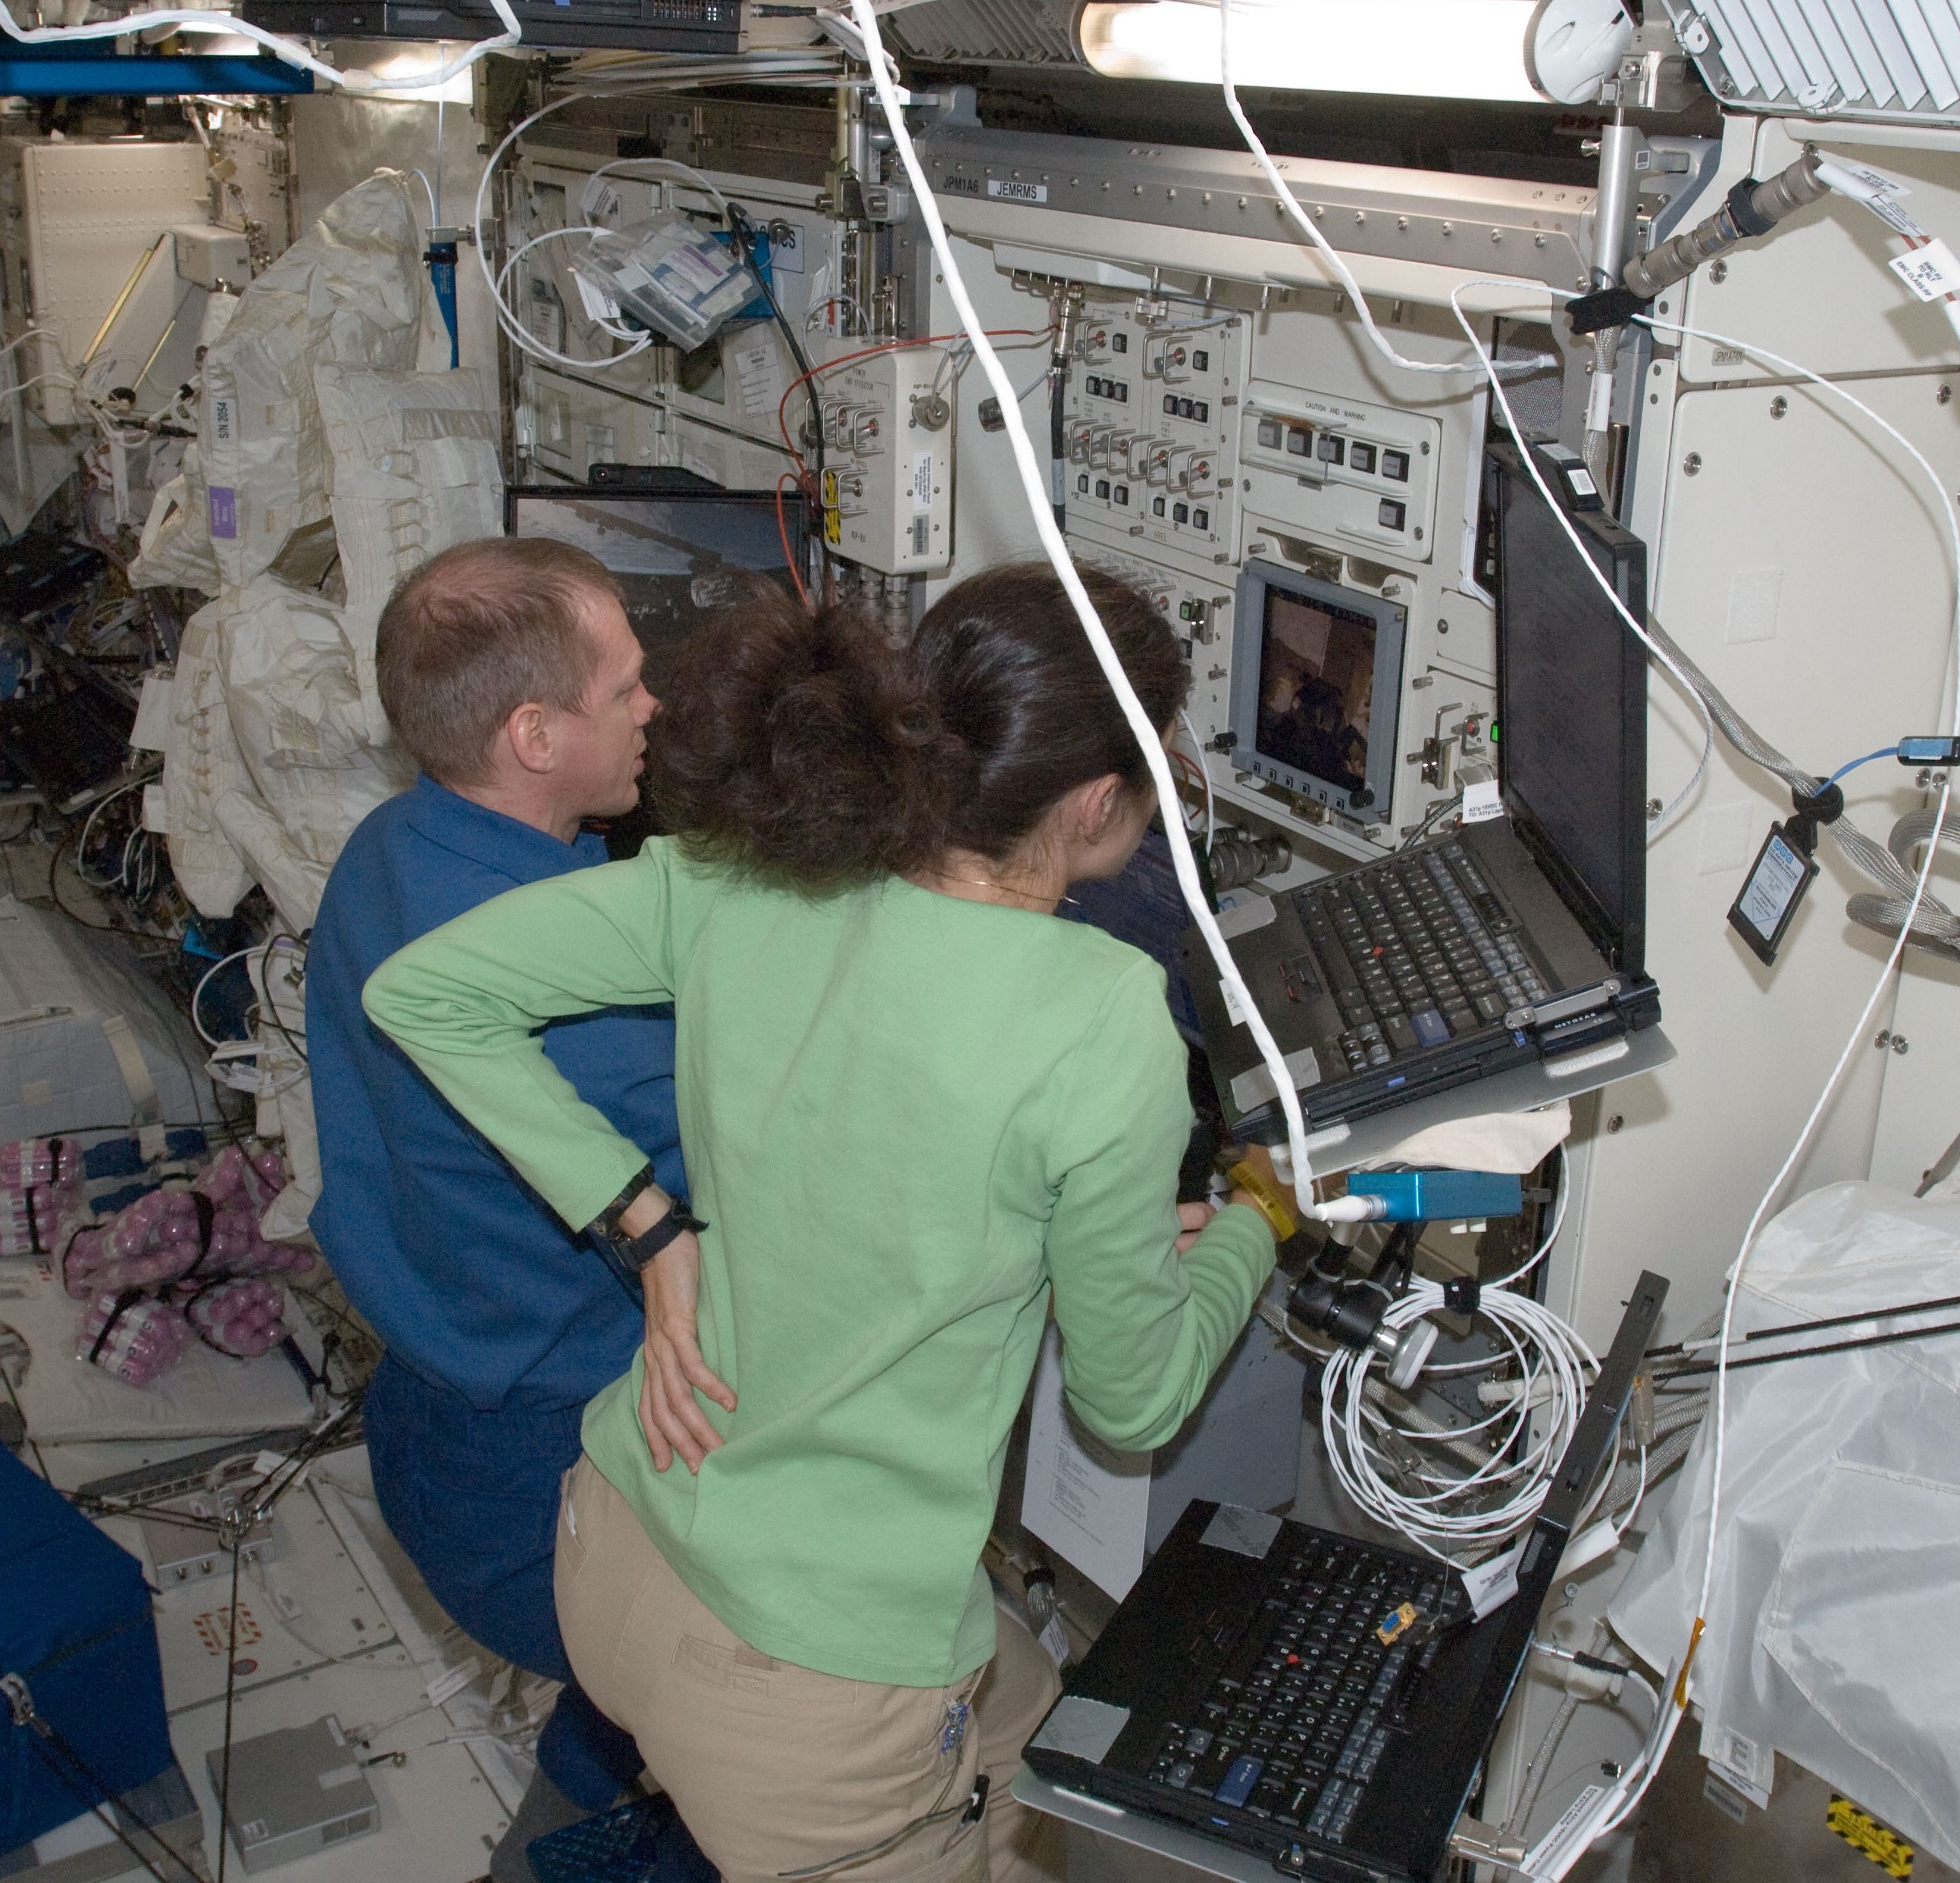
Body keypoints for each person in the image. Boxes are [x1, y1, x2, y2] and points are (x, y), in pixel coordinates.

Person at [361, 564, 1284, 1883]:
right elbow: (1132, 1405)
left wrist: (644, 1221)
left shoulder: (750, 874)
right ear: (1096, 801)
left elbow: (425, 992)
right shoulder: (1104, 1012)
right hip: (804, 1684)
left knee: (1040, 1723)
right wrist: (1257, 1214)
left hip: (613, 1541)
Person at [304, 536, 687, 1861]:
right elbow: (762, 1205)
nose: (655, 709)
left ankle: (606, 1769)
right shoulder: (584, 997)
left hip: (426, 1413)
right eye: (627, 687)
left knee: (620, 1710)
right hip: (551, 1467)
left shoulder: (386, 847)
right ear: (535, 732)